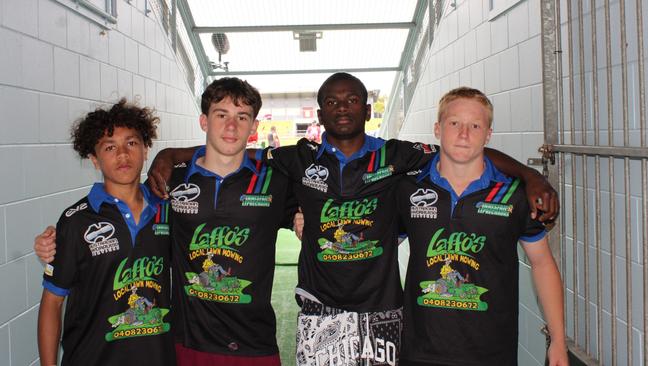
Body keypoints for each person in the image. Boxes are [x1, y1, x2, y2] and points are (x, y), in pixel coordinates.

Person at [145, 72, 559, 365]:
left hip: (383, 313)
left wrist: (530, 175)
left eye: (351, 100)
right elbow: (230, 152)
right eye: (332, 102)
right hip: (319, 312)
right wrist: (169, 157)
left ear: (367, 108)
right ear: (320, 114)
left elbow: (467, 151)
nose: (342, 107)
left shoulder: (399, 157)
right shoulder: (297, 158)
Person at [35, 78, 297, 366]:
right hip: (181, 346)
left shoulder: (272, 181)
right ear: (204, 121)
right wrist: (51, 244)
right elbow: (54, 297)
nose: (231, 126)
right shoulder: (165, 190)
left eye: (241, 117)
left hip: (247, 346)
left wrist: (303, 216)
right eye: (221, 115)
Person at [396, 87, 567, 365]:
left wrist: (558, 340)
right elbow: (377, 244)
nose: (464, 134)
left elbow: (542, 263)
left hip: (491, 354)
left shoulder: (514, 195)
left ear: (488, 134)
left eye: (475, 125)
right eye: (454, 124)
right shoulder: (408, 189)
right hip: (420, 353)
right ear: (438, 129)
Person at [37, 99, 175, 365]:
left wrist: (170, 155)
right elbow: (52, 303)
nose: (122, 154)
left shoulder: (167, 211)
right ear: (94, 159)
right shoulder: (75, 221)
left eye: (132, 143)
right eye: (110, 147)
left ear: (146, 150)